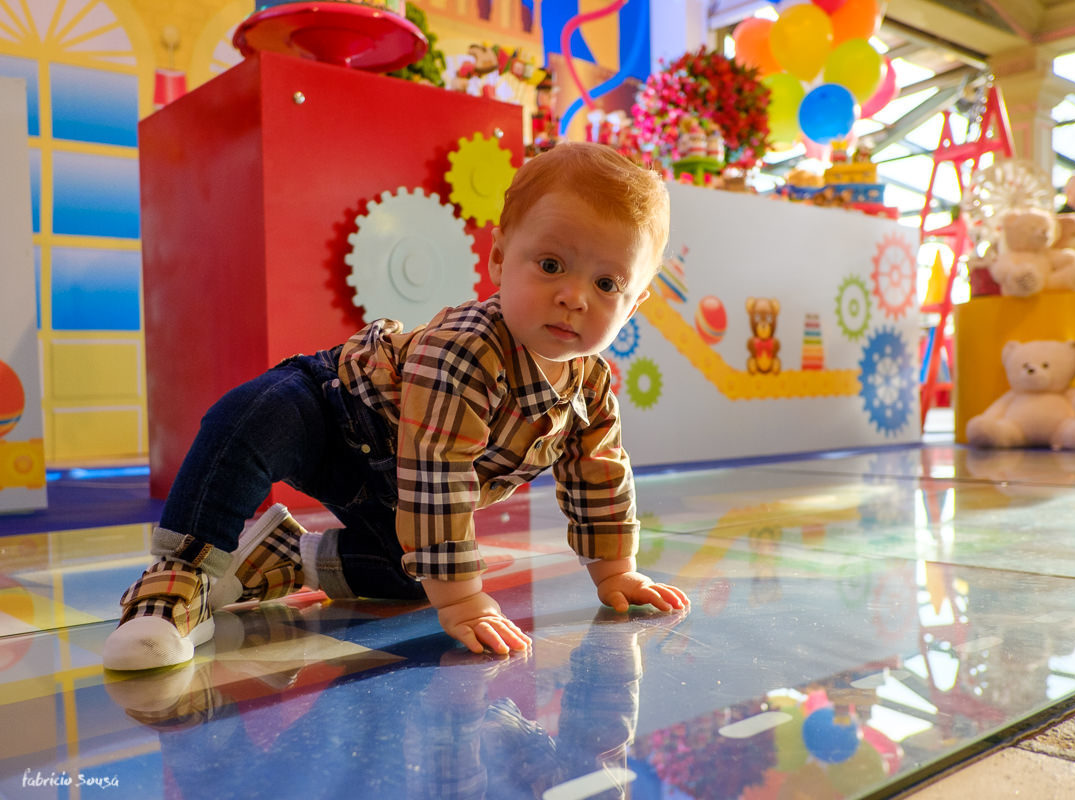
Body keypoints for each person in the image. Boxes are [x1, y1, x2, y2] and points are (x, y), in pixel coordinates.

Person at [103, 141, 690, 671]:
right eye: (552, 265)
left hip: (390, 486)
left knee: (418, 571)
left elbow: (600, 479)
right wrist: (463, 599)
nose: (573, 297)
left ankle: (286, 558)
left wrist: (616, 570)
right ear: (499, 260)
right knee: (251, 420)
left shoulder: (590, 387)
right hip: (334, 414)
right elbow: (439, 470)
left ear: (633, 304)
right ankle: (178, 576)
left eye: (607, 285)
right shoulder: (468, 350)